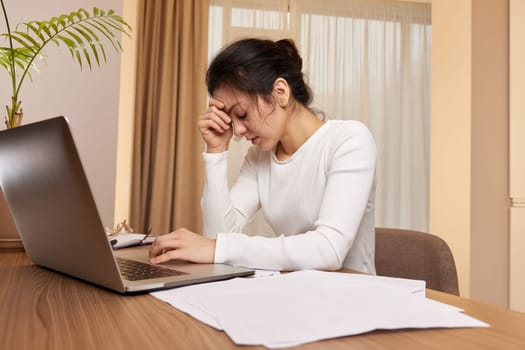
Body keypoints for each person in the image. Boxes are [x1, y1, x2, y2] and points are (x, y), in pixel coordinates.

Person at [149, 38, 377, 274]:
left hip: (352, 296)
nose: (236, 131)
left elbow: (329, 250)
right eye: (230, 119)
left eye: (242, 114)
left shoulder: (349, 140)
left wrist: (220, 248)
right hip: (297, 291)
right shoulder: (259, 158)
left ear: (280, 92)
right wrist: (216, 151)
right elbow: (219, 238)